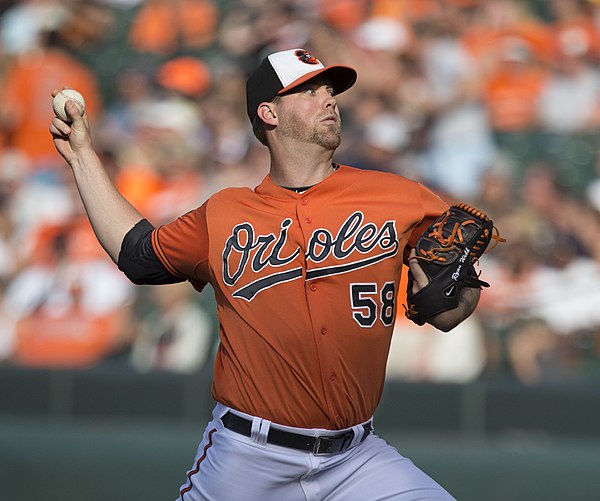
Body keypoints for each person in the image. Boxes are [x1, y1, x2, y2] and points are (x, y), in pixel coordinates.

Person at [50, 48, 484, 500]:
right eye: (310, 91)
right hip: (246, 458)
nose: (329, 99)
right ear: (268, 112)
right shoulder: (224, 214)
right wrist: (82, 155)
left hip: (356, 458)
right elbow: (135, 254)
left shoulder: (400, 196)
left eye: (330, 90)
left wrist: (458, 300)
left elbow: (459, 288)